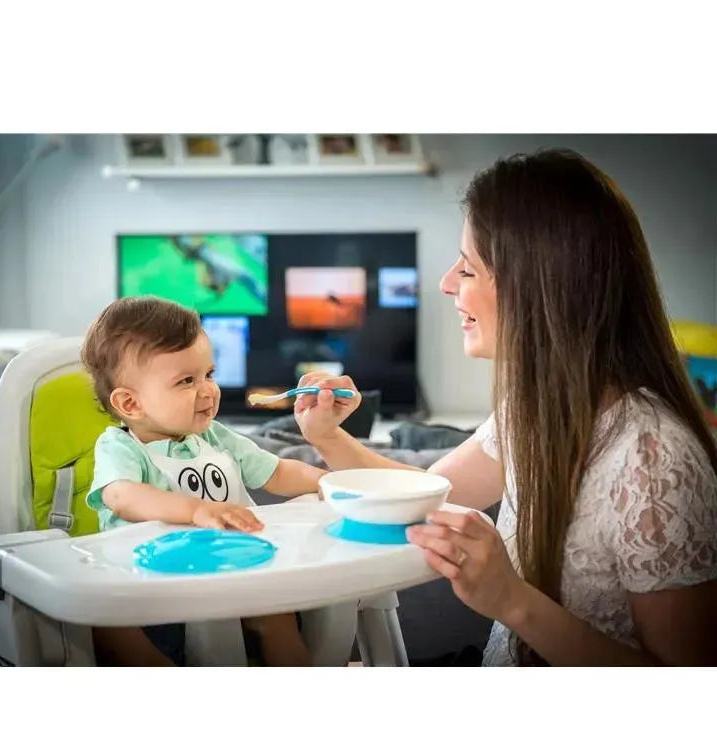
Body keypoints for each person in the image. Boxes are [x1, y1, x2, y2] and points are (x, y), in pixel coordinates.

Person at [293, 148, 717, 666]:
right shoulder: (532, 411)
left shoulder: (653, 457)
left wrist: (511, 600)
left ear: (537, 285)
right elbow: (426, 495)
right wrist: (327, 436)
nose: (447, 283)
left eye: (468, 269)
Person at [82, 296, 325, 666]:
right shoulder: (121, 447)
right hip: (153, 588)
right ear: (131, 404)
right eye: (186, 381)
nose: (208, 390)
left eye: (209, 374)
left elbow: (277, 472)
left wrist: (327, 482)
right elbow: (122, 496)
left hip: (238, 570)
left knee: (278, 611)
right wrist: (195, 509)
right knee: (103, 623)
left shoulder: (214, 436)